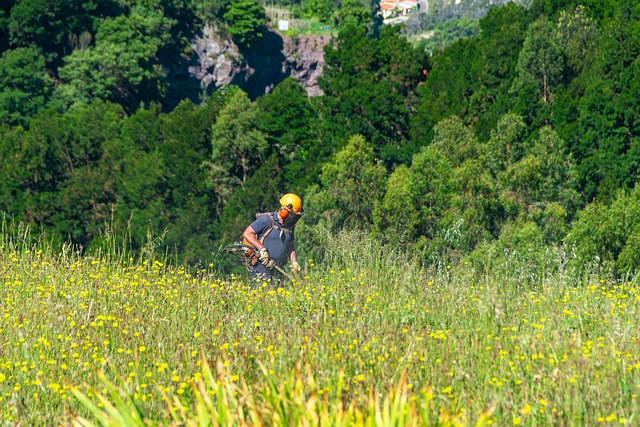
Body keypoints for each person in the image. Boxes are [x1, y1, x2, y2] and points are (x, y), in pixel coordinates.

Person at [242, 193, 303, 285]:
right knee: (263, 294)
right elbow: (247, 233)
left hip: (279, 268)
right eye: (291, 215)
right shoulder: (266, 219)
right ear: (284, 211)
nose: (292, 218)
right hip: (261, 266)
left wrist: (294, 261)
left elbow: (290, 244)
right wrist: (261, 249)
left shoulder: (289, 226)